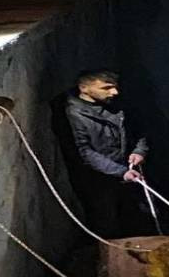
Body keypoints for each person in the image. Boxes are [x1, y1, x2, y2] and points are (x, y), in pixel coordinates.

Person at [60, 69, 152, 238]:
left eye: (115, 87)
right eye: (106, 87)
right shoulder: (72, 115)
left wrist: (139, 151)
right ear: (84, 88)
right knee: (106, 223)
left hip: (128, 171)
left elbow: (138, 130)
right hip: (97, 178)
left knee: (140, 218)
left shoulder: (117, 105)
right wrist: (120, 171)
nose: (114, 92)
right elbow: (83, 152)